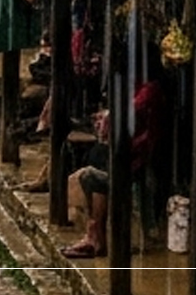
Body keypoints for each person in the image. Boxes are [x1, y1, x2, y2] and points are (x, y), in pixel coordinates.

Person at [60, 79, 168, 259]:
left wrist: (109, 123)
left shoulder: (148, 92)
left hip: (139, 160)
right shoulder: (135, 89)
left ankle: (94, 235)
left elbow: (132, 123)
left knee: (89, 177)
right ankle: (94, 233)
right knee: (88, 171)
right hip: (128, 154)